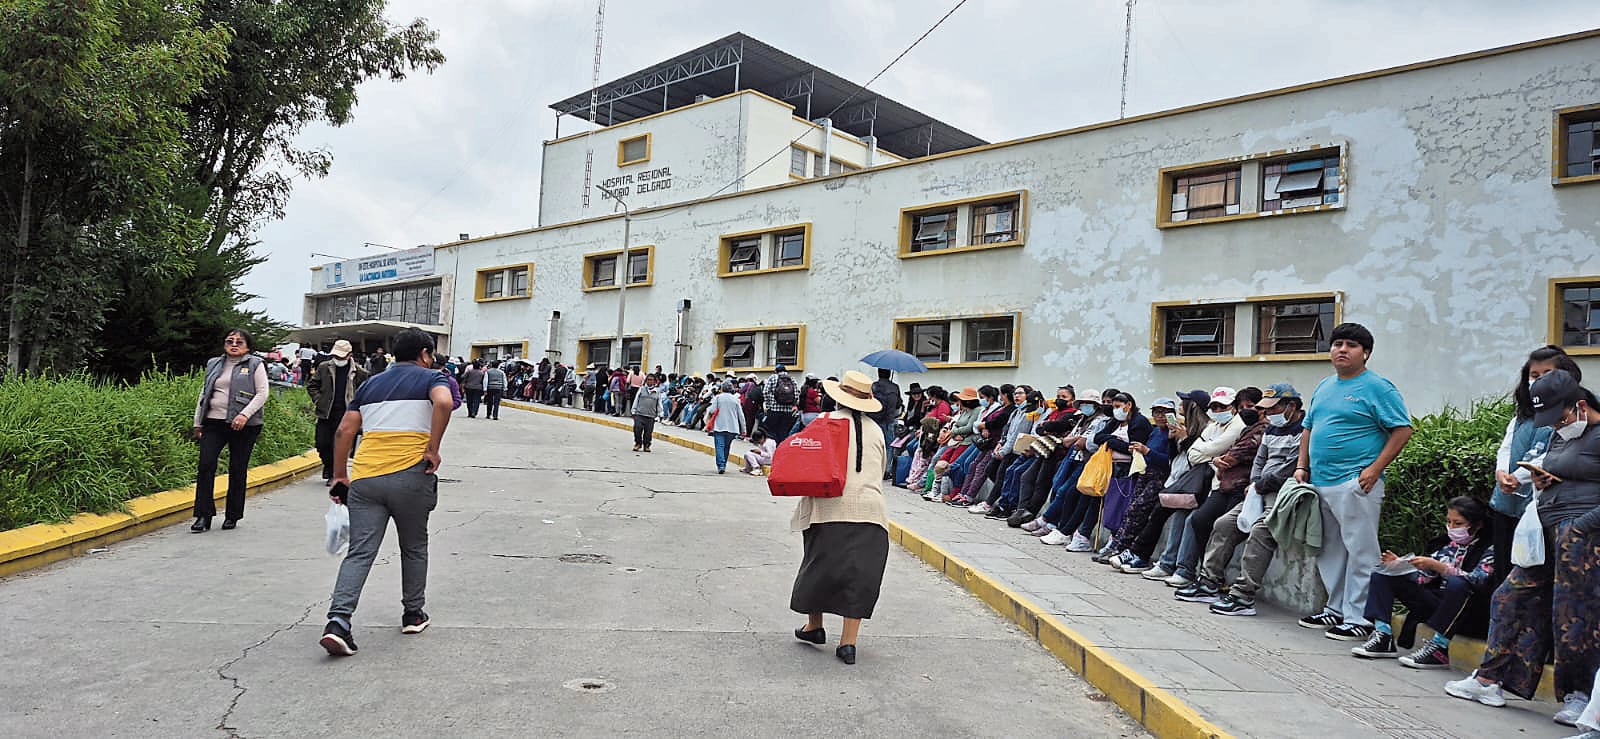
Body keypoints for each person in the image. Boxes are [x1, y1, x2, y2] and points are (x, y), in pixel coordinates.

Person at [1447, 369, 1600, 724]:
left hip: (1581, 536)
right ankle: (1491, 677)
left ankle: (1580, 695)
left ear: (1580, 406)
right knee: (1509, 597)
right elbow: (1566, 472)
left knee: (1574, 615)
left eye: (1560, 417)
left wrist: (1581, 528)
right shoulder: (1561, 436)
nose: (1557, 425)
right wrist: (1543, 481)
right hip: (1548, 532)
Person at [319, 327, 454, 657]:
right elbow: (445, 403)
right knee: (413, 547)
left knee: (360, 552)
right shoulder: (432, 378)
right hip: (411, 476)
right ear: (424, 353)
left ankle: (338, 622)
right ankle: (413, 614)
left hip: (366, 478)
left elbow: (344, 431)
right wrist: (433, 449)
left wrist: (340, 476)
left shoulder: (370, 384)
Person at [1296, 323, 1414, 641]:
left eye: (1351, 345)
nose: (1342, 349)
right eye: (1337, 344)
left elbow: (1402, 429)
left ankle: (1361, 617)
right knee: (1330, 549)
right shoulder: (1324, 386)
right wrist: (1301, 467)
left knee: (1362, 551)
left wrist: (1374, 469)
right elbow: (1308, 427)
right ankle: (1336, 610)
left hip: (1356, 483)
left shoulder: (1378, 387)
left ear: (1366, 353)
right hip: (1320, 481)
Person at [789, 370, 889, 665]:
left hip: (828, 508)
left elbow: (806, 461)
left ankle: (814, 626)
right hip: (871, 511)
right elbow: (881, 469)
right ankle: (848, 644)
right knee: (859, 576)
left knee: (818, 566)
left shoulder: (824, 422)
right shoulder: (877, 430)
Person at [1185, 384, 1303, 607]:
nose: (1268, 414)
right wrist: (1255, 483)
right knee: (1223, 524)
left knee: (1261, 530)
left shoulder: (1303, 430)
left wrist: (1259, 484)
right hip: (1257, 491)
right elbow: (1260, 459)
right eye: (1266, 410)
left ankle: (1243, 594)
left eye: (1274, 408)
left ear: (1292, 406)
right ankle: (1210, 581)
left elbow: (1291, 466)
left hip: (1282, 493)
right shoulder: (1271, 429)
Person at [1351, 496, 1494, 669]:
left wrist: (1441, 568)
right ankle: (1383, 635)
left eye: (1458, 524)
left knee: (1458, 584)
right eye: (1449, 522)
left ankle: (1439, 648)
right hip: (1438, 604)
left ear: (1477, 525)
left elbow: (1479, 581)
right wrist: (1401, 565)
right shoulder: (1447, 545)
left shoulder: (1489, 549)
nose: (1451, 528)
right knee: (1382, 574)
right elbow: (1423, 579)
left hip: (1467, 613)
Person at [1490, 346, 1582, 583]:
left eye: (1547, 373)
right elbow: (1507, 447)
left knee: (1537, 575)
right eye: (1534, 375)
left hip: (1541, 508)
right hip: (1505, 504)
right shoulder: (1523, 414)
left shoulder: (1574, 413)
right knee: (1504, 571)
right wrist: (1502, 474)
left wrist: (1518, 477)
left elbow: (1556, 455)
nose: (1539, 380)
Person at [190, 329, 270, 532]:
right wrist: (198, 421)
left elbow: (262, 393)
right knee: (206, 466)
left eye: (239, 342)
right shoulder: (214, 363)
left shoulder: (255, 364)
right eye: (230, 341)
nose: (234, 344)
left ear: (248, 347)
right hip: (214, 422)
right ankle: (203, 515)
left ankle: (232, 515)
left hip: (244, 425)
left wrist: (244, 415)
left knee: (237, 468)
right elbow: (205, 392)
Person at [307, 340, 370, 485]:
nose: (338, 359)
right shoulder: (324, 367)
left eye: (341, 356)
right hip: (326, 412)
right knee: (322, 443)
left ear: (349, 355)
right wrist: (319, 400)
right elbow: (312, 385)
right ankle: (328, 466)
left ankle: (335, 474)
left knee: (340, 445)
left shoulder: (360, 373)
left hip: (347, 415)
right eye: (336, 356)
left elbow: (365, 393)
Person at [870, 369, 903, 478]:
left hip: (873, 419)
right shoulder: (894, 387)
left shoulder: (873, 386)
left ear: (878, 374)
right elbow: (899, 404)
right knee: (889, 445)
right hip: (889, 420)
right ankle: (886, 470)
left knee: (874, 444)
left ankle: (873, 468)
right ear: (889, 374)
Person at [709, 382, 747, 473]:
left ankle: (721, 465)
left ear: (722, 388)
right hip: (732, 427)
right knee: (727, 446)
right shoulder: (735, 400)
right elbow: (741, 416)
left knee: (719, 446)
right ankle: (723, 463)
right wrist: (744, 429)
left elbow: (711, 410)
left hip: (720, 426)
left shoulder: (718, 398)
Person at [762, 365, 801, 442]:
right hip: (788, 412)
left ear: (776, 371)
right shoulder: (792, 379)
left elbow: (765, 392)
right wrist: (792, 405)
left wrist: (769, 405)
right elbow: (796, 395)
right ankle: (781, 449)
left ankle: (773, 450)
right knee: (784, 432)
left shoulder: (773, 377)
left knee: (772, 432)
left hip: (774, 411)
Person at [632, 374, 663, 452]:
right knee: (637, 429)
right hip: (639, 413)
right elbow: (636, 400)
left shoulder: (657, 392)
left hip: (651, 415)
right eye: (648, 379)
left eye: (651, 380)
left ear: (655, 381)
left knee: (648, 432)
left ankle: (647, 445)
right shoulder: (641, 389)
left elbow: (659, 403)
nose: (650, 381)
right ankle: (638, 443)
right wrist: (633, 410)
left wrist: (660, 413)